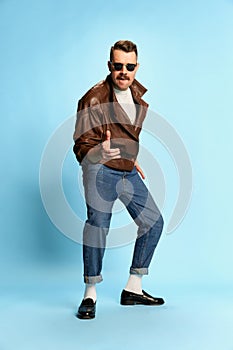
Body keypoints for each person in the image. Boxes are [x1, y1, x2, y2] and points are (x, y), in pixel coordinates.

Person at [73, 40, 164, 320]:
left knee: (153, 221)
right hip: (99, 170)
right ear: (109, 66)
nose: (124, 71)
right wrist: (98, 151)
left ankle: (133, 288)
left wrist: (129, 159)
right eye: (118, 65)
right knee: (98, 226)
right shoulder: (93, 98)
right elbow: (80, 144)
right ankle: (90, 293)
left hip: (126, 170)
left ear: (136, 67)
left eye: (130, 66)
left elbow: (123, 134)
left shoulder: (137, 95)